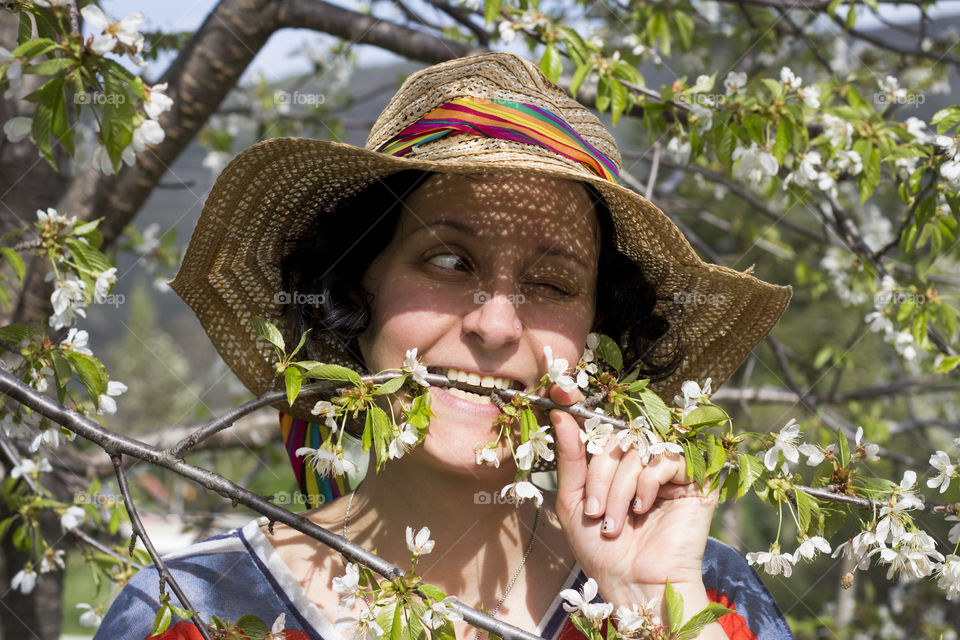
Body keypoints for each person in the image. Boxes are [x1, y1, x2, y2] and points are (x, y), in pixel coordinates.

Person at [95, 52, 795, 640]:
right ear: (356, 291)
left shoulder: (704, 594)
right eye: (449, 263)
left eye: (552, 284)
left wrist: (650, 608)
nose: (494, 325)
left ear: (596, 341)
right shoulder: (194, 610)